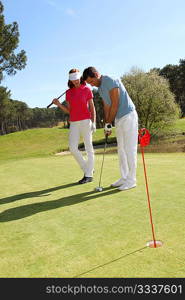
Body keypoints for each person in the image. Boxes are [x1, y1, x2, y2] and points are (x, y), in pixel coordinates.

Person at [82, 67, 138, 191]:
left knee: (130, 149)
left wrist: (109, 122)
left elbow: (115, 103)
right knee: (121, 149)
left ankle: (132, 180)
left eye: (91, 81)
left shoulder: (110, 81)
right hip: (118, 118)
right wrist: (107, 123)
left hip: (128, 116)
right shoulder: (100, 88)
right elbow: (107, 105)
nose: (92, 85)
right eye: (89, 83)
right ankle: (124, 178)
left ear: (96, 74)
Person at [52, 68, 96, 184]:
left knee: (88, 147)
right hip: (74, 122)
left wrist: (94, 122)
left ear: (80, 77)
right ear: (70, 80)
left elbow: (92, 107)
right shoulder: (68, 93)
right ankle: (88, 169)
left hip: (86, 121)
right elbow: (69, 111)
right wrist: (59, 104)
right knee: (72, 147)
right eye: (73, 80)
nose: (76, 81)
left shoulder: (87, 89)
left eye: (77, 79)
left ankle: (88, 175)